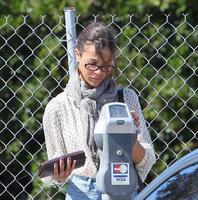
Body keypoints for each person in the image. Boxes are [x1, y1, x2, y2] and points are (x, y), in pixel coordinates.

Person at [42, 22, 156, 200]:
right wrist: (58, 176)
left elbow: (147, 160)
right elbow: (52, 176)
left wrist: (128, 136)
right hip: (81, 191)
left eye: (107, 66)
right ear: (78, 55)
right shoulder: (57, 108)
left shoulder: (126, 99)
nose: (99, 72)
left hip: (123, 184)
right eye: (92, 64)